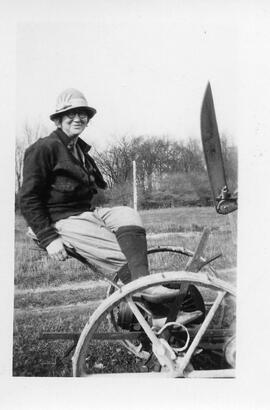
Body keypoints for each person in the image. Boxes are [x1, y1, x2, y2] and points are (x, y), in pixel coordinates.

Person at [20, 88, 180, 301]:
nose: (77, 118)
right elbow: (28, 198)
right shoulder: (44, 148)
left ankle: (143, 284)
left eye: (82, 114)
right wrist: (49, 239)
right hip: (61, 219)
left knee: (127, 213)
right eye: (71, 114)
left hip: (86, 213)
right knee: (119, 255)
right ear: (59, 120)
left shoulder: (79, 150)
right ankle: (158, 312)